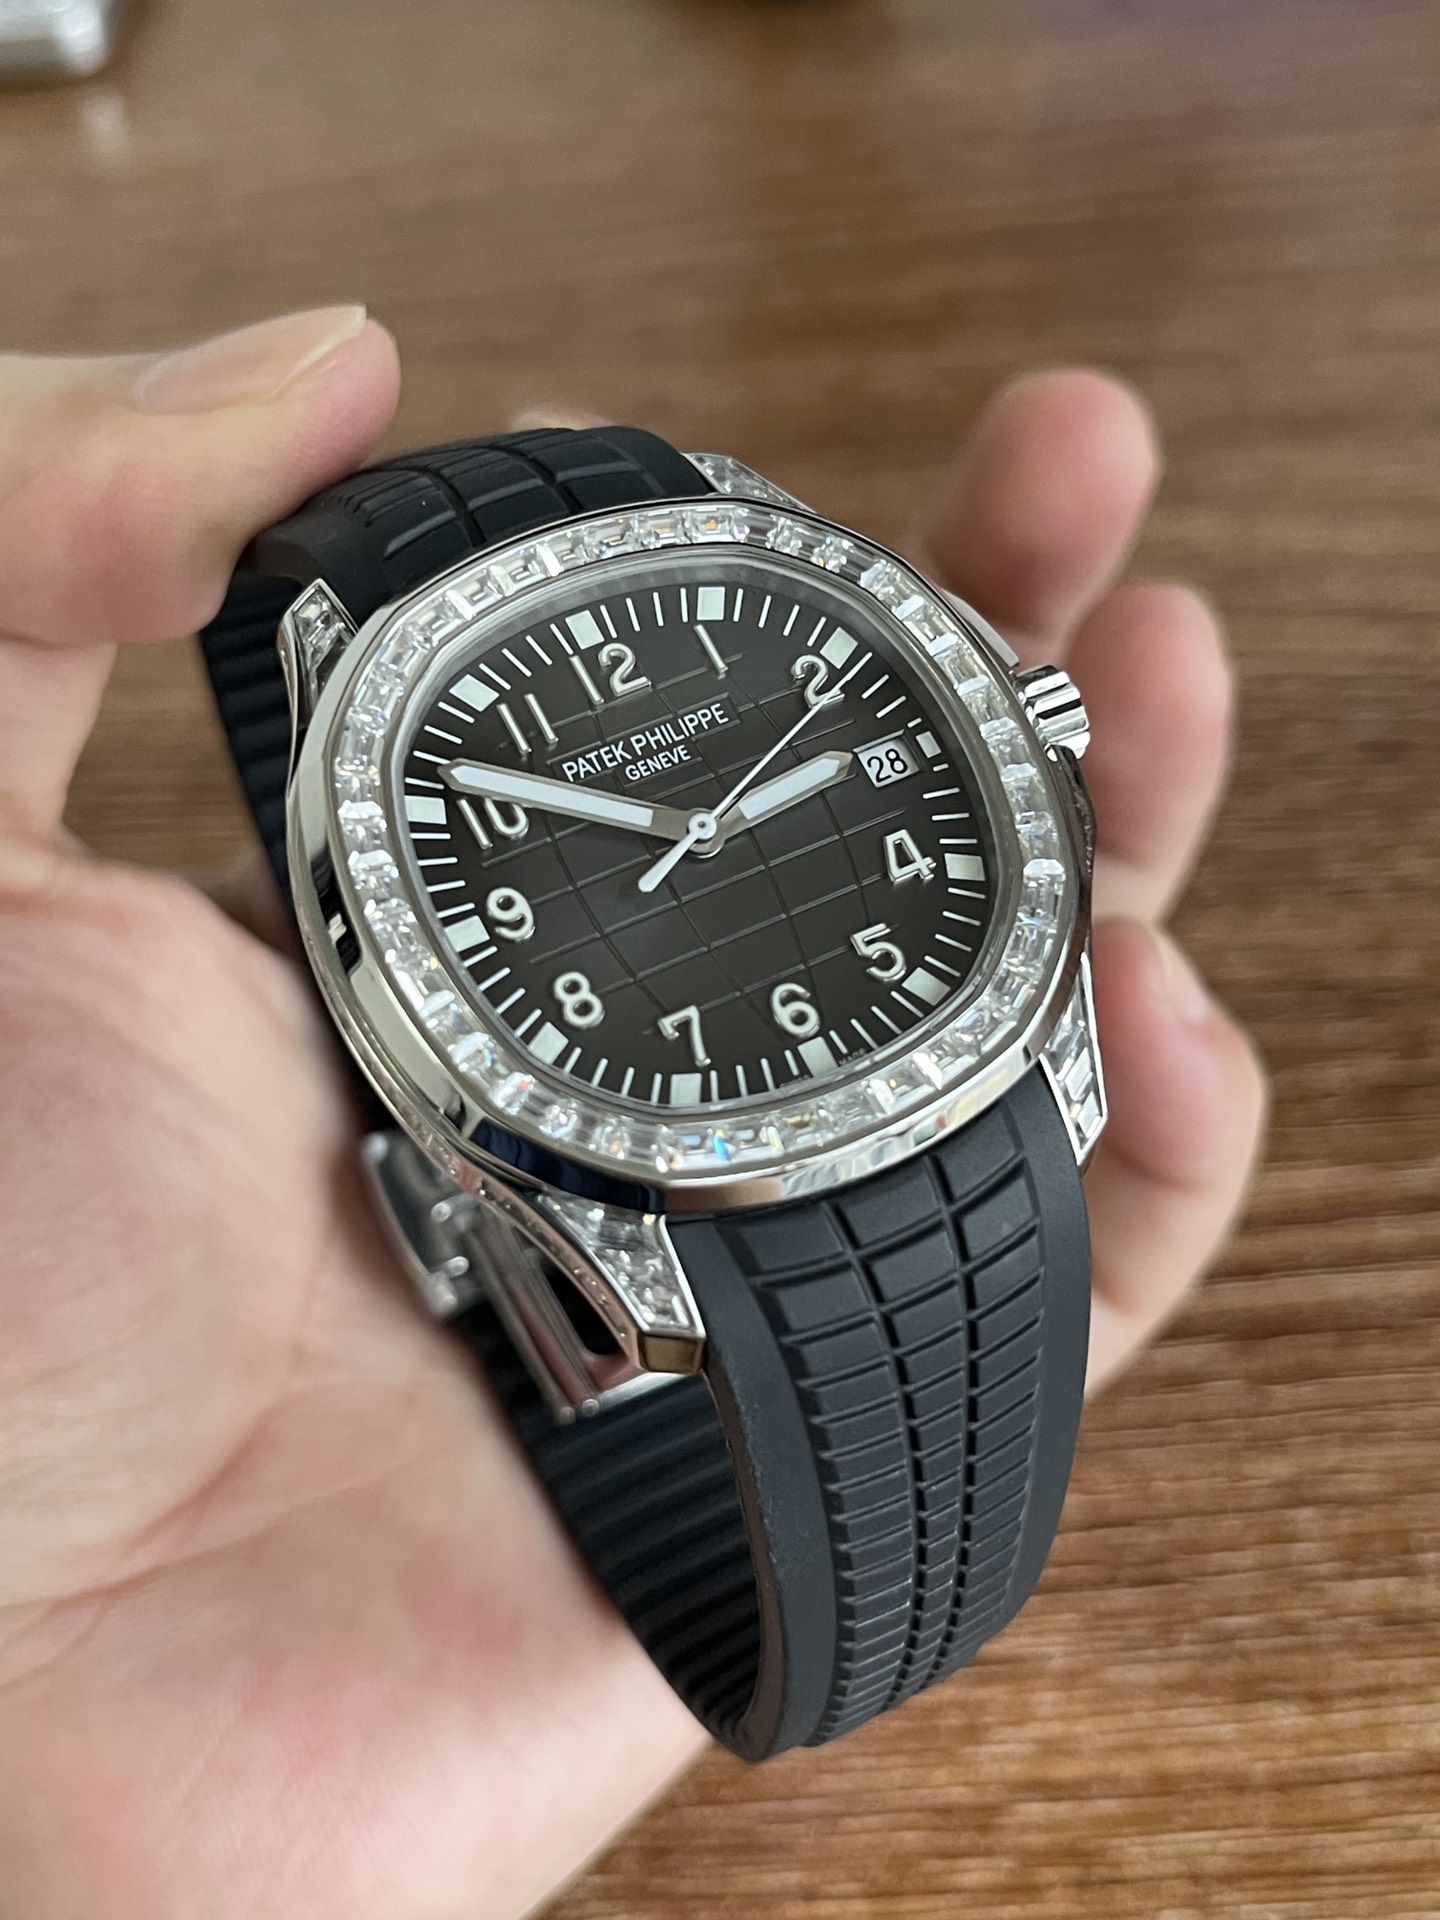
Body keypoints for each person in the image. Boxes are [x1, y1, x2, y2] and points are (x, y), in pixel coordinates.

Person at [0, 308, 1266, 1920]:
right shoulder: (348, 711)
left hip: (963, 1063)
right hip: (691, 1163)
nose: (696, 841)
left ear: (1034, 735)